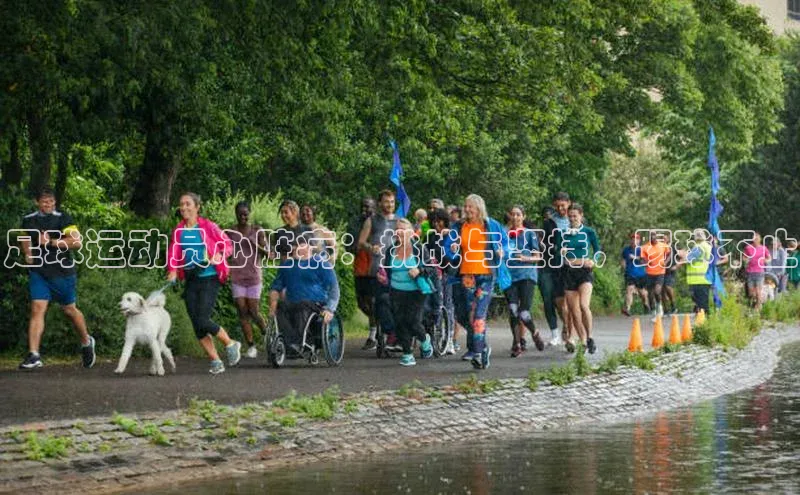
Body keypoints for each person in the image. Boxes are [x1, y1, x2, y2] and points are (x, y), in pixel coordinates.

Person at [18, 186, 96, 370]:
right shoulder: (28, 220)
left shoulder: (63, 218)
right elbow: (24, 238)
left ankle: (86, 342)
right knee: (37, 308)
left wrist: (52, 242)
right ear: (37, 202)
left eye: (52, 201)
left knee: (69, 310)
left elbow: (76, 242)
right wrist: (28, 254)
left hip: (62, 272)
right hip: (39, 271)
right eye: (45, 202)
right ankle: (34, 355)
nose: (49, 205)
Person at [167, 192, 241, 375]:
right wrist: (173, 270)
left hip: (209, 276)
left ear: (197, 206)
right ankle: (215, 360)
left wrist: (219, 255)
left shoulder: (209, 226)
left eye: (188, 204)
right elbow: (174, 253)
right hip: (191, 278)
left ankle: (230, 343)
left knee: (202, 318)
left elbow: (228, 245)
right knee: (196, 323)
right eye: (181, 204)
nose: (183, 207)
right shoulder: (179, 230)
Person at [444, 194, 511, 369]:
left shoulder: (491, 225)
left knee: (479, 315)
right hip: (466, 275)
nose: (466, 210)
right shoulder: (459, 226)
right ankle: (483, 348)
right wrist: (452, 250)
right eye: (465, 206)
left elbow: (506, 243)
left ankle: (479, 352)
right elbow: (448, 247)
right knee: (467, 315)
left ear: (479, 208)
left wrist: (503, 251)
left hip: (486, 275)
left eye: (470, 207)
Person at [268, 236, 340, 355]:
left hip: (316, 304)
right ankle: (290, 343)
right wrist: (273, 305)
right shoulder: (286, 265)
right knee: (281, 306)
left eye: (299, 245)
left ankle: (299, 342)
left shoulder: (321, 263)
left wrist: (330, 309)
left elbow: (334, 288)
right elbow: (275, 288)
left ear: (309, 247)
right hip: (293, 303)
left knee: (302, 305)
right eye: (293, 246)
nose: (295, 248)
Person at [556, 203, 601, 354]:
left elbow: (598, 250)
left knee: (583, 305)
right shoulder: (564, 233)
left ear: (581, 216)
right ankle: (581, 339)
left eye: (575, 216)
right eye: (570, 216)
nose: (572, 219)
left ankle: (590, 337)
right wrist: (561, 251)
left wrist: (594, 260)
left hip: (585, 271)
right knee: (573, 311)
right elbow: (560, 253)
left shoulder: (589, 231)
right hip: (569, 273)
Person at [388, 219, 434, 366]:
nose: (400, 232)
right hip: (396, 290)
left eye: (404, 229)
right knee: (400, 321)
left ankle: (425, 340)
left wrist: (419, 270)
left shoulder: (419, 248)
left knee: (413, 321)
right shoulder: (390, 249)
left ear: (411, 233)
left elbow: (431, 268)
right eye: (398, 229)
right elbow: (386, 269)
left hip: (416, 290)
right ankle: (407, 354)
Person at [358, 190, 398, 350]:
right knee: (378, 302)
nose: (390, 205)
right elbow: (361, 242)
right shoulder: (372, 220)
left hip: (397, 268)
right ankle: (386, 333)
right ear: (380, 203)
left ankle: (397, 335)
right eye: (387, 201)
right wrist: (370, 247)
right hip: (377, 268)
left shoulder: (400, 221)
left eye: (392, 202)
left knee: (396, 302)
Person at [228, 201, 268, 358]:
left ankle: (266, 333)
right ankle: (251, 346)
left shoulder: (257, 231)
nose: (243, 216)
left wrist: (255, 245)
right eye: (240, 213)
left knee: (253, 310)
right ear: (236, 214)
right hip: (237, 275)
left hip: (253, 276)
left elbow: (267, 253)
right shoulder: (231, 231)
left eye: (245, 213)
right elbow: (224, 248)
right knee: (242, 311)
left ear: (249, 213)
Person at [505, 205, 544, 357]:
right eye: (513, 214)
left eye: (518, 214)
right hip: (509, 277)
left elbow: (538, 256)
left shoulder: (529, 234)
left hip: (527, 275)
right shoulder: (505, 234)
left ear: (523, 216)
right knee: (513, 310)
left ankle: (535, 333)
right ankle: (517, 344)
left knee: (524, 312)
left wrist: (525, 258)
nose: (515, 217)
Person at [422, 208, 457, 355]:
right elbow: (424, 251)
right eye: (434, 221)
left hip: (448, 272)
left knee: (448, 304)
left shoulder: (452, 235)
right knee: (432, 304)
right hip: (434, 273)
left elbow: (455, 255)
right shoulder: (430, 237)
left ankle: (449, 340)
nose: (437, 224)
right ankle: (433, 335)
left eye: (440, 221)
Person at [539, 192, 571, 348]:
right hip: (548, 264)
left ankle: (568, 328)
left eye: (563, 205)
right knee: (547, 299)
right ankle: (554, 333)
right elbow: (543, 242)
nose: (560, 208)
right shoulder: (548, 222)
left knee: (563, 302)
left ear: (568, 203)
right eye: (557, 206)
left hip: (567, 266)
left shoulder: (575, 221)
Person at [347, 198, 377, 348]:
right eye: (363, 207)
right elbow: (349, 243)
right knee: (362, 303)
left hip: (376, 268)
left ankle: (374, 335)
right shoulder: (355, 223)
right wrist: (357, 246)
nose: (366, 210)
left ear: (375, 208)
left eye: (369, 207)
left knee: (374, 301)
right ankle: (377, 325)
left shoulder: (380, 222)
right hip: (360, 267)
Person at [678, 229, 713, 314]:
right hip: (704, 279)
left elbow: (688, 259)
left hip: (698, 280)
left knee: (701, 306)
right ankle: (704, 323)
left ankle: (703, 324)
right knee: (703, 305)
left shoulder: (699, 247)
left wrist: (682, 254)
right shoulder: (708, 246)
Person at [640, 231, 671, 322]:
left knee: (657, 291)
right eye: (651, 235)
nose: (653, 237)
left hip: (660, 272)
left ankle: (659, 308)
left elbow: (669, 254)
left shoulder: (663, 245)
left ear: (657, 236)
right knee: (650, 294)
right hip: (649, 273)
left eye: (654, 235)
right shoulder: (645, 247)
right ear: (649, 237)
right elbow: (642, 259)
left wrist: (665, 262)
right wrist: (646, 262)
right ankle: (653, 311)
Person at [621, 233, 649, 317]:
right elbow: (623, 259)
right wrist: (623, 266)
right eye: (632, 239)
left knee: (643, 293)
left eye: (636, 239)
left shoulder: (641, 250)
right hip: (630, 274)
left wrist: (635, 258)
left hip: (641, 274)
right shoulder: (626, 250)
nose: (634, 240)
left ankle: (646, 305)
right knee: (629, 289)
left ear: (639, 241)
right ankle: (627, 309)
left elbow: (646, 261)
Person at [744, 232, 770, 311]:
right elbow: (744, 258)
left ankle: (757, 308)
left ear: (760, 239)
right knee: (751, 292)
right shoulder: (748, 248)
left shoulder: (764, 248)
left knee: (758, 291)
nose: (755, 240)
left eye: (756, 238)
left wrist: (765, 260)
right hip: (750, 272)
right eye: (754, 238)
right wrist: (746, 260)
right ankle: (758, 303)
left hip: (760, 272)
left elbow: (769, 258)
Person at [662, 231, 678, 314]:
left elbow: (682, 258)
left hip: (670, 271)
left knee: (668, 287)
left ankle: (673, 304)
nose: (663, 240)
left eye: (665, 238)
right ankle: (665, 309)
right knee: (662, 290)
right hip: (661, 271)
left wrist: (676, 266)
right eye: (662, 238)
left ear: (668, 239)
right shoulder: (659, 247)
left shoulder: (673, 247)